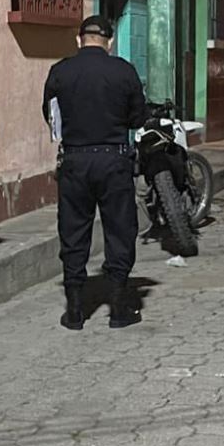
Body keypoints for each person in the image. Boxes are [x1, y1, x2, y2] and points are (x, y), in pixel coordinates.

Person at [42, 16, 147, 330]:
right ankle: (118, 307)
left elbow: (51, 117)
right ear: (110, 41)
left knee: (73, 232)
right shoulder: (123, 71)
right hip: (113, 160)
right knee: (119, 230)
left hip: (75, 161)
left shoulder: (59, 72)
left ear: (79, 39)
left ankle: (75, 311)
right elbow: (138, 118)